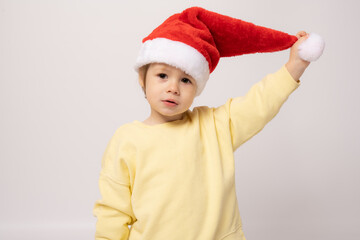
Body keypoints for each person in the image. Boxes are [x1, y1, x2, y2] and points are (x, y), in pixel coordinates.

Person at [93, 6, 317, 240]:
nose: (173, 88)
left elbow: (259, 103)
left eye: (186, 79)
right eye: (162, 75)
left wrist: (294, 66)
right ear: (142, 78)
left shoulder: (214, 126)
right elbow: (113, 211)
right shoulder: (126, 140)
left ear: (197, 87)